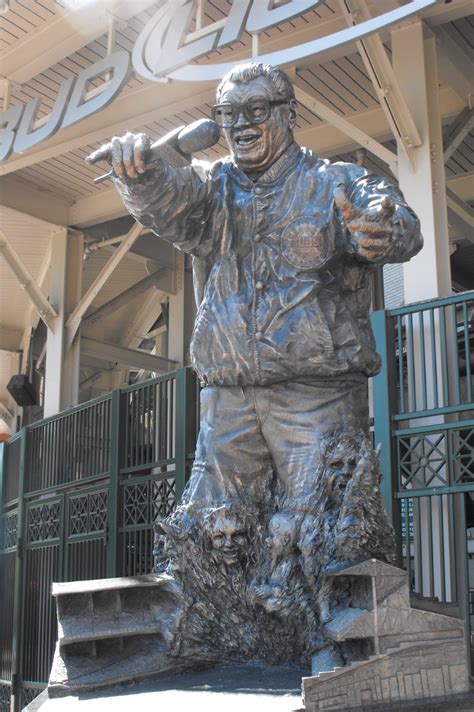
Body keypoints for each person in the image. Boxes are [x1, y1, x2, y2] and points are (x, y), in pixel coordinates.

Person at [98, 61, 422, 524]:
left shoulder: (336, 182)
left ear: (288, 113)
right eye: (227, 114)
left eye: (255, 109)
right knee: (210, 533)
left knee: (326, 529)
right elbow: (170, 201)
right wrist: (138, 176)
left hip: (317, 394)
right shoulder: (214, 187)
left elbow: (397, 220)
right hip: (229, 397)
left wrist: (385, 230)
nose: (240, 125)